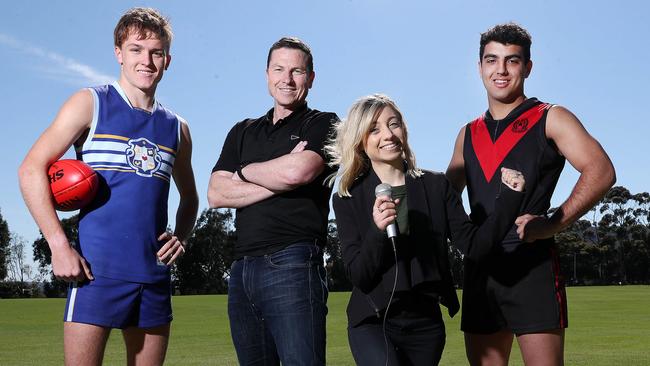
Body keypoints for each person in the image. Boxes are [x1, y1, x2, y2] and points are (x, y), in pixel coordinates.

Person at [18, 8, 198, 366]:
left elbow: (190, 197)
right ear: (119, 52)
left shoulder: (177, 128)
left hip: (152, 274)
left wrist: (183, 236)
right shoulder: (90, 103)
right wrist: (58, 246)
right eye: (136, 50)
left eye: (156, 52)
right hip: (94, 273)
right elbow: (30, 169)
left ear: (167, 60)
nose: (146, 61)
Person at [446, 23, 616, 366]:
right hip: (482, 273)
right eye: (492, 60)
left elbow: (601, 170)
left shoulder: (551, 117)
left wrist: (552, 224)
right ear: (479, 67)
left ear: (528, 67)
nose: (501, 70)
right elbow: (443, 198)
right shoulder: (467, 134)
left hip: (531, 268)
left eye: (512, 60)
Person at [327, 94, 528, 366]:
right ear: (361, 141)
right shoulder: (347, 198)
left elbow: (475, 245)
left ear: (404, 130)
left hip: (425, 325)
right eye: (374, 129)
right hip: (373, 320)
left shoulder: (436, 186)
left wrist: (509, 200)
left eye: (393, 124)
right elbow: (360, 275)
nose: (388, 134)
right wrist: (377, 230)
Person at [207, 36, 339, 366]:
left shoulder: (325, 123)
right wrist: (275, 178)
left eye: (297, 71)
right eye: (279, 69)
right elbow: (215, 193)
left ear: (310, 77)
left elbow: (299, 172)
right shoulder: (242, 130)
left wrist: (242, 170)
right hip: (240, 270)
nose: (287, 79)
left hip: (293, 261)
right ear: (266, 74)